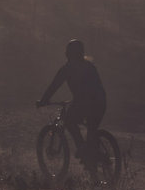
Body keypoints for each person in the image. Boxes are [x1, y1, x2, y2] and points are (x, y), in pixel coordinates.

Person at [36, 39, 107, 179]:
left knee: (69, 121)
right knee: (92, 129)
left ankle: (83, 149)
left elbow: (53, 86)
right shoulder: (89, 66)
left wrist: (43, 101)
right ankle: (92, 164)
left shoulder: (67, 69)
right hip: (100, 102)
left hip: (86, 102)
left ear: (68, 54)